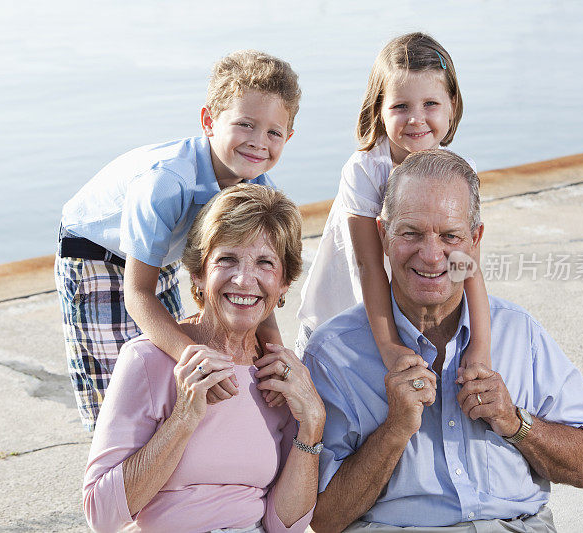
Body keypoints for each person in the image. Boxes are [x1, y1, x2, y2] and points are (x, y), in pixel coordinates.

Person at [303, 150, 583, 532]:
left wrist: (514, 422)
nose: (432, 256)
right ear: (383, 235)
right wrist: (394, 430)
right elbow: (324, 520)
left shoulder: (519, 332)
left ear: (475, 238)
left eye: (450, 236)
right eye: (411, 233)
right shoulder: (332, 354)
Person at [56, 50, 300, 430]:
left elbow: (256, 282)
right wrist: (193, 356)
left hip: (163, 252)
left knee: (172, 367)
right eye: (245, 124)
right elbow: (138, 295)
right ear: (209, 121)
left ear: (288, 136)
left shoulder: (257, 186)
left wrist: (275, 353)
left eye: (273, 132)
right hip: (96, 255)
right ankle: (112, 468)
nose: (258, 142)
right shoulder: (165, 182)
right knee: (121, 381)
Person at [83, 184, 325, 533]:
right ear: (198, 273)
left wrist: (313, 422)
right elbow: (100, 515)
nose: (244, 279)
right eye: (227, 259)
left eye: (265, 262)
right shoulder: (146, 360)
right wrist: (183, 418)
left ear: (284, 282)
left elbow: (284, 525)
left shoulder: (281, 376)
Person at [296, 33, 491, 381]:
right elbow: (369, 266)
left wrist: (480, 345)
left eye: (430, 104)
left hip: (406, 301)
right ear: (380, 111)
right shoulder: (365, 171)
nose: (416, 119)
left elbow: (466, 263)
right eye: (401, 107)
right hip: (346, 303)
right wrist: (387, 345)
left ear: (452, 105)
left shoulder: (461, 171)